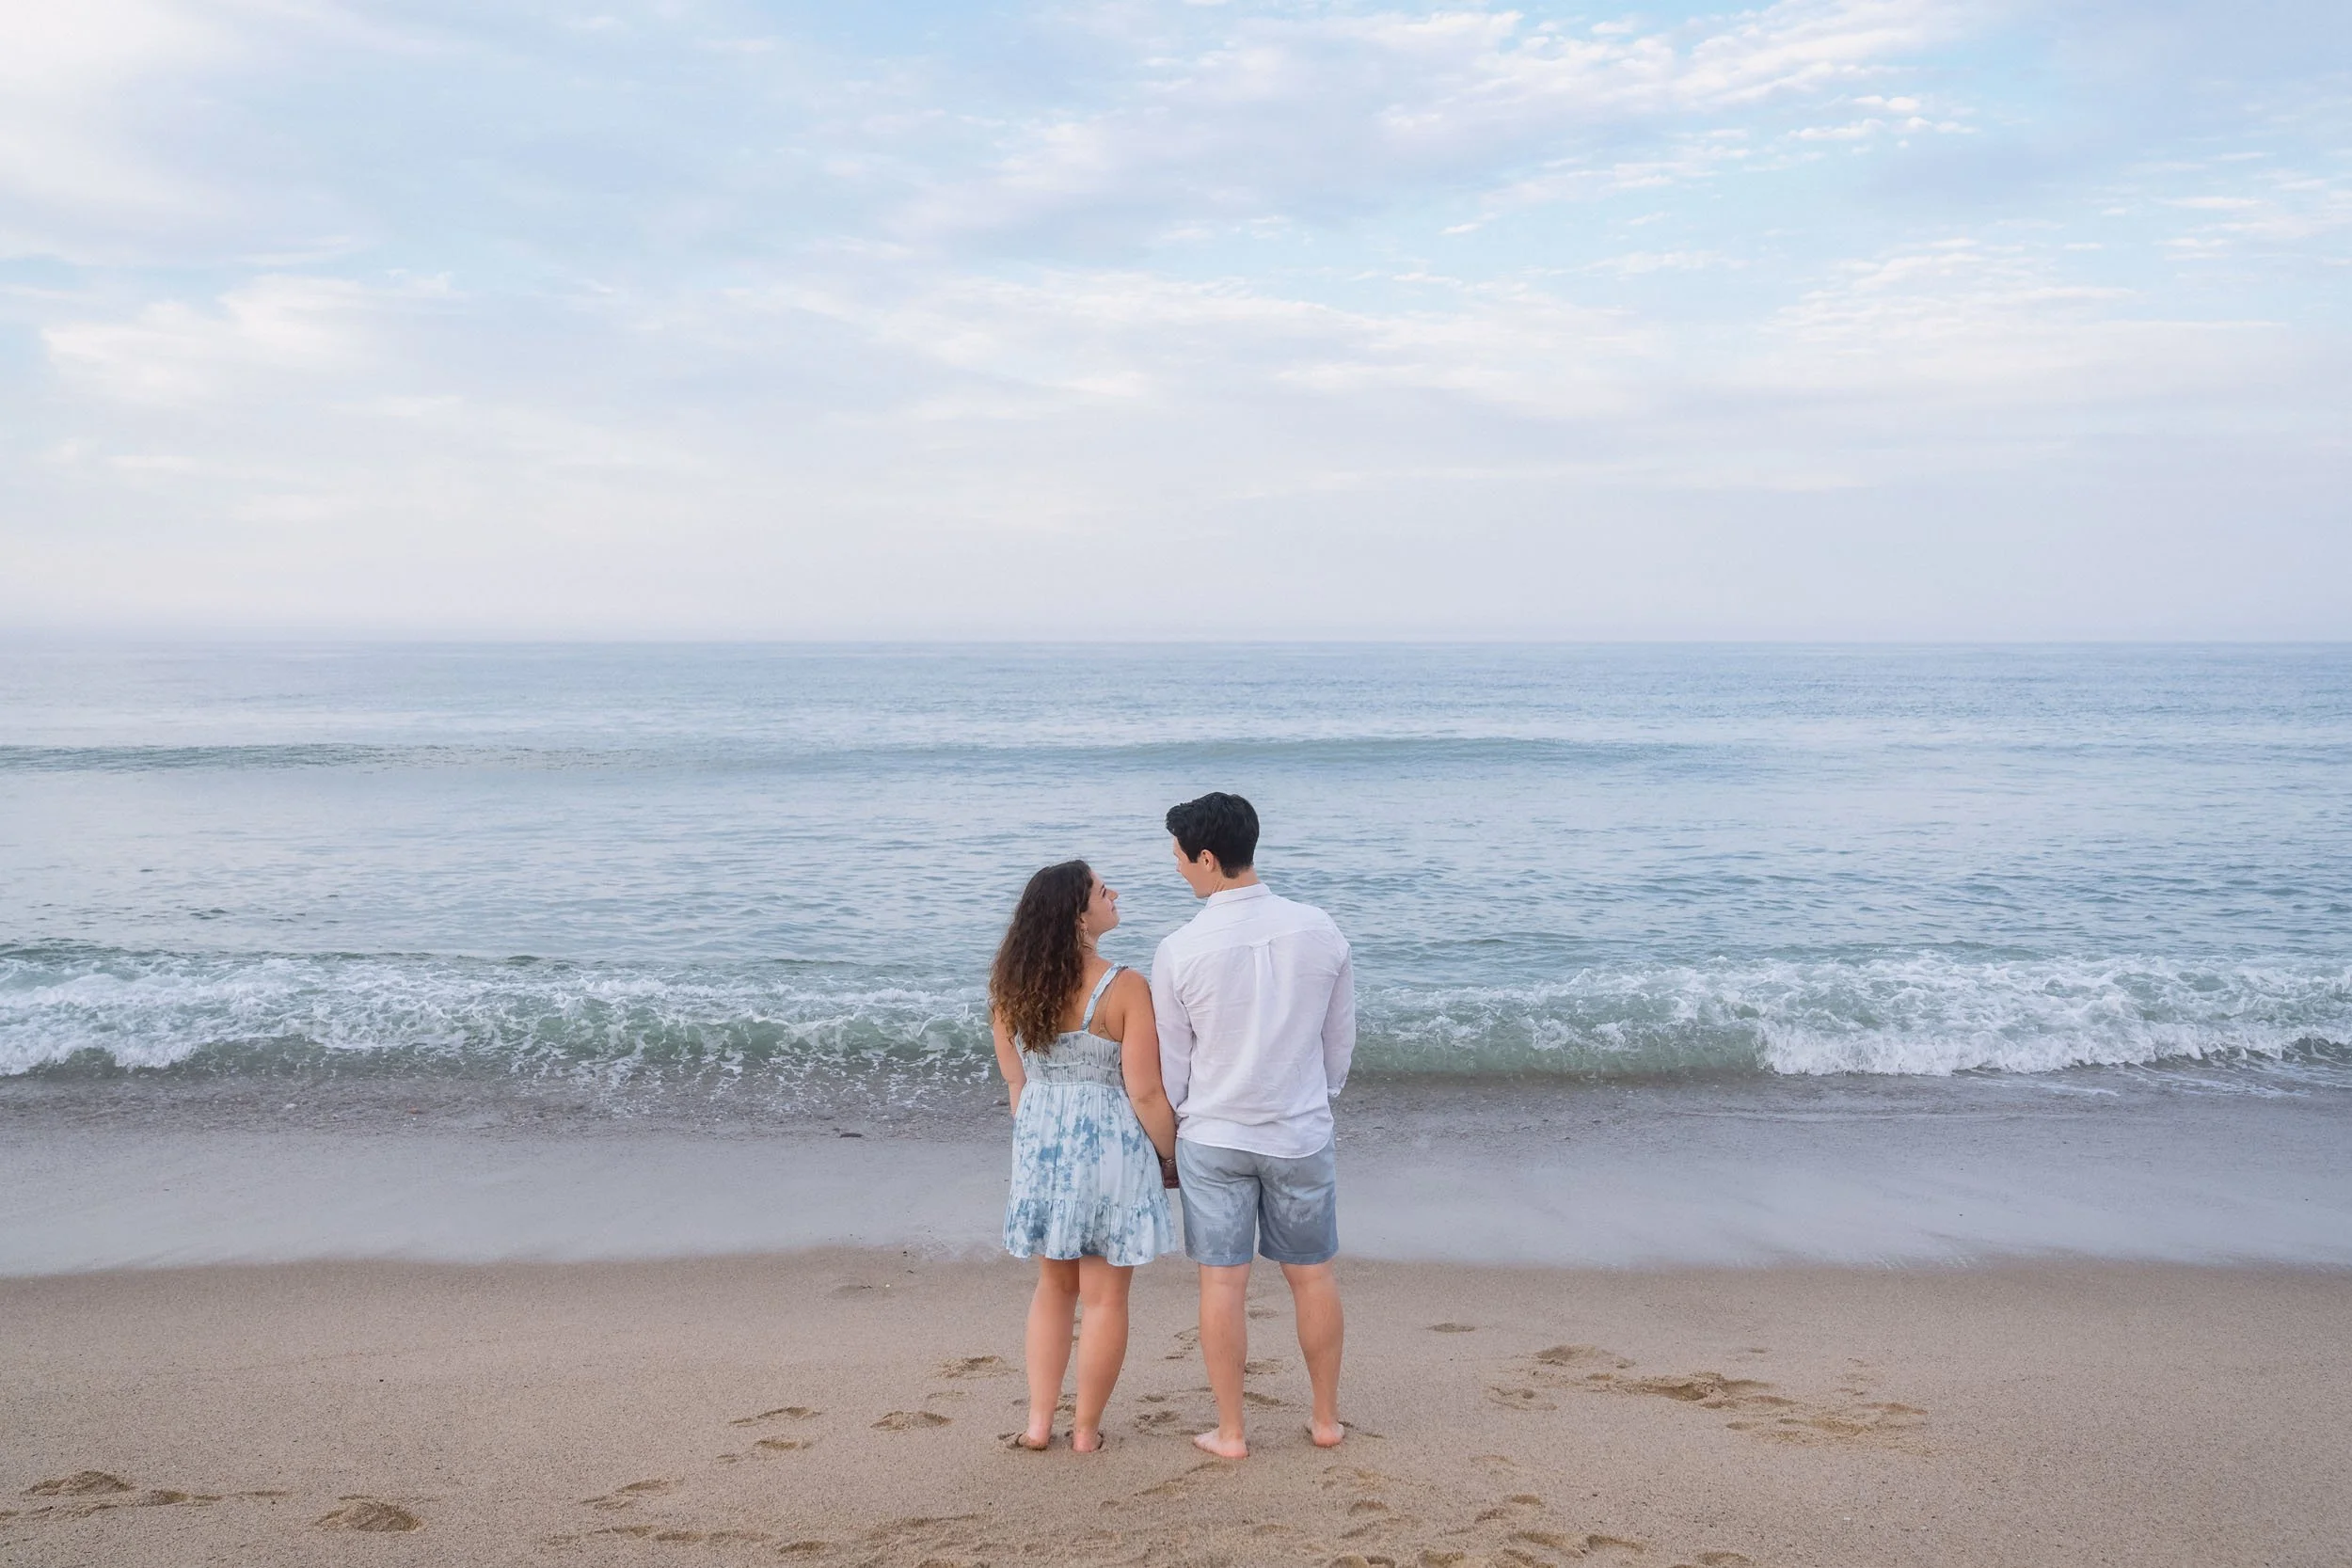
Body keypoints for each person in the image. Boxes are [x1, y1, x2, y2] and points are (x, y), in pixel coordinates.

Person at [1152, 792, 1356, 1458]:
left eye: (1181, 858)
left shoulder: (1181, 948)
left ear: (1208, 857)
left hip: (1215, 1135)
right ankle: (1325, 1419)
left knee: (1222, 1282)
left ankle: (1232, 1431)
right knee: (1314, 1276)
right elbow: (1338, 1042)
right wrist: (1311, 1097)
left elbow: (1173, 1067)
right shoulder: (1319, 927)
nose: (1178, 869)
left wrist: (1177, 1130)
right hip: (1299, 1131)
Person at [993, 859, 1178, 1452]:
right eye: (1103, 890)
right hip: (1109, 1147)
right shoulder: (1124, 986)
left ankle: (1038, 1424)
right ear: (1078, 915)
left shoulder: (1010, 985)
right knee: (1104, 1297)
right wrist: (1172, 1155)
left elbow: (1016, 1083)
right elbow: (1145, 1091)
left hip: (1041, 1141)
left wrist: (1038, 1143)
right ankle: (1086, 1432)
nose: (1114, 893)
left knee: (1053, 1289)